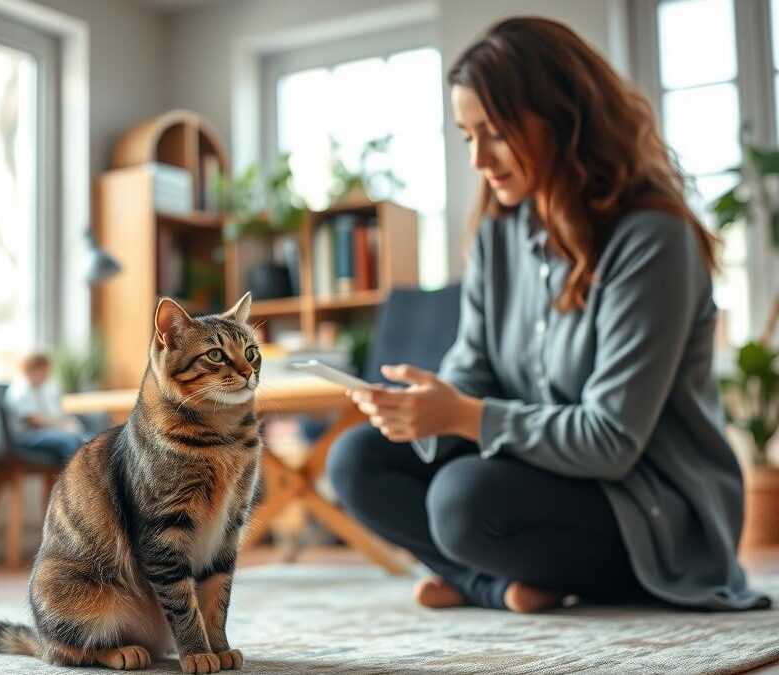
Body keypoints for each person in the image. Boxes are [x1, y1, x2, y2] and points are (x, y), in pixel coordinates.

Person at [327, 16, 771, 613]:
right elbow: (476, 370)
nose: (480, 157)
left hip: (652, 509)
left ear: (561, 116)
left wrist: (465, 415)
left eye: (496, 131)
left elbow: (610, 441)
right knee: (355, 459)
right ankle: (494, 587)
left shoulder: (652, 238)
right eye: (467, 136)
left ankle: (481, 581)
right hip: (544, 479)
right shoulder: (499, 233)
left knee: (464, 500)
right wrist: (426, 407)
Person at [5, 352, 85, 464]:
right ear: (31, 369)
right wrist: (61, 426)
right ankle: (78, 478)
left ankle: (77, 477)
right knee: (69, 441)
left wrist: (66, 422)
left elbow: (54, 414)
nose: (47, 374)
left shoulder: (43, 389)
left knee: (83, 439)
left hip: (43, 432)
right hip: (26, 436)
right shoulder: (20, 390)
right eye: (43, 370)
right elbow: (33, 421)